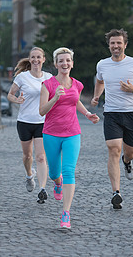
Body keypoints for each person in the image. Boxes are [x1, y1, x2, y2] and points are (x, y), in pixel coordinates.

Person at [90, 28, 133, 210]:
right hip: (111, 113)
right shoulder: (102, 65)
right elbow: (100, 81)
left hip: (131, 113)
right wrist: (96, 96)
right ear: (109, 45)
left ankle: (128, 162)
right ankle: (116, 193)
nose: (115, 46)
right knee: (113, 149)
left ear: (125, 45)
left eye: (119, 43)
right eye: (112, 43)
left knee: (129, 151)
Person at [39, 47, 100, 229]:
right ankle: (57, 184)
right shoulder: (47, 85)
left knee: (69, 171)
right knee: (54, 173)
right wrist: (55, 98)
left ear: (72, 64)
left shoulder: (77, 84)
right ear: (56, 64)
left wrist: (87, 113)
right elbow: (42, 111)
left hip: (72, 133)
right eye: (61, 61)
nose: (65, 64)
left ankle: (66, 213)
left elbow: (75, 101)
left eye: (68, 60)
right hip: (51, 133)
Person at [7, 47, 52, 204]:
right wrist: (16, 100)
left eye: (39, 57)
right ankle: (28, 175)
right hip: (25, 121)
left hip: (42, 121)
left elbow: (55, 96)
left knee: (40, 157)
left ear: (43, 59)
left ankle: (42, 189)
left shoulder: (49, 77)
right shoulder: (22, 77)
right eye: (33, 57)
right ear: (30, 59)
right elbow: (10, 94)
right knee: (28, 156)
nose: (35, 60)